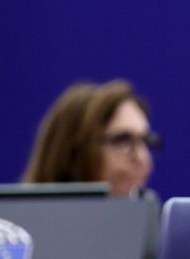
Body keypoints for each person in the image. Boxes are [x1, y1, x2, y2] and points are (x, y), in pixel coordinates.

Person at [21, 80, 159, 197]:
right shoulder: (13, 226)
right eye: (123, 140)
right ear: (73, 154)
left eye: (146, 141)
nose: (142, 158)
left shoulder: (154, 226)